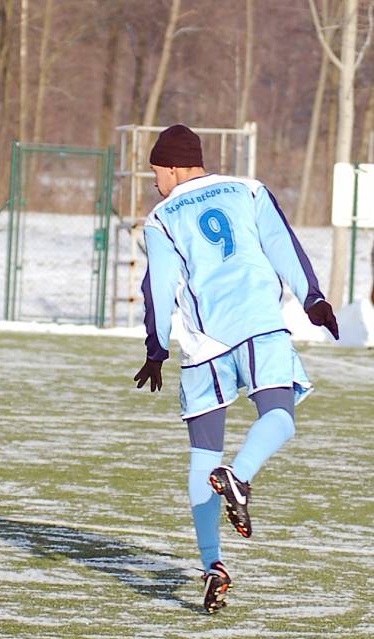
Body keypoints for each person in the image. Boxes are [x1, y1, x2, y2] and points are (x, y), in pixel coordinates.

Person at [133, 124, 339, 613]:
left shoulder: (161, 218)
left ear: (175, 168)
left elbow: (158, 288)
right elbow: (283, 245)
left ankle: (213, 565)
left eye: (157, 173)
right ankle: (241, 476)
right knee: (279, 416)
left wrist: (156, 348)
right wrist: (313, 297)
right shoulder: (249, 190)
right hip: (259, 323)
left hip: (204, 343)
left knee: (203, 457)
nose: (156, 183)